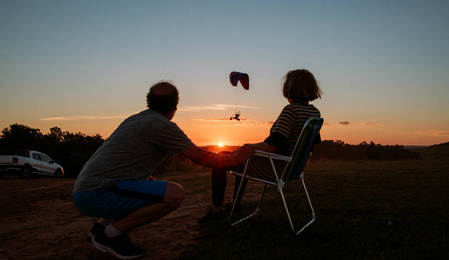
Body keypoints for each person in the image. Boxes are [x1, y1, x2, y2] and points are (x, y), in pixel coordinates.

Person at [72, 81, 255, 259]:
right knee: (174, 194)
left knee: (149, 185)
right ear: (175, 104)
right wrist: (237, 158)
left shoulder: (136, 119)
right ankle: (109, 236)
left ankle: (100, 230)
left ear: (148, 101)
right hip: (97, 192)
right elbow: (200, 157)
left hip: (86, 189)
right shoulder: (163, 126)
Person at [198, 69, 322, 225]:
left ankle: (216, 211)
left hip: (275, 169)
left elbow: (271, 146)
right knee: (241, 157)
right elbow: (309, 144)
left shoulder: (291, 111)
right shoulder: (314, 112)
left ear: (290, 87)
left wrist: (248, 146)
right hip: (292, 168)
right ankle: (236, 205)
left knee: (221, 157)